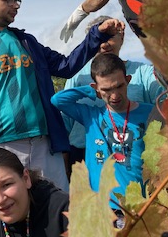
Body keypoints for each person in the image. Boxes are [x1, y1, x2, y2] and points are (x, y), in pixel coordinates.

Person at [0, 0, 125, 190]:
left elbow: (66, 66)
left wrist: (96, 35)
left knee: (60, 210)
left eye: (18, 1)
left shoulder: (27, 42)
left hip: (45, 144)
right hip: (3, 147)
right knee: (13, 211)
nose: (16, 5)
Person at [51, 53, 154, 209]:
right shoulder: (92, 116)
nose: (114, 95)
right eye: (107, 89)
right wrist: (90, 91)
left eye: (119, 86)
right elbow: (58, 100)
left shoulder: (150, 113)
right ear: (97, 89)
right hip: (102, 209)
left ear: (128, 80)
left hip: (142, 206)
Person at [62, 14, 164, 168]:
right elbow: (64, 121)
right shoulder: (78, 75)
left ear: (121, 37)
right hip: (84, 155)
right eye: (99, 39)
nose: (104, 45)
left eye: (110, 37)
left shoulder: (143, 71)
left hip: (134, 152)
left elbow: (163, 107)